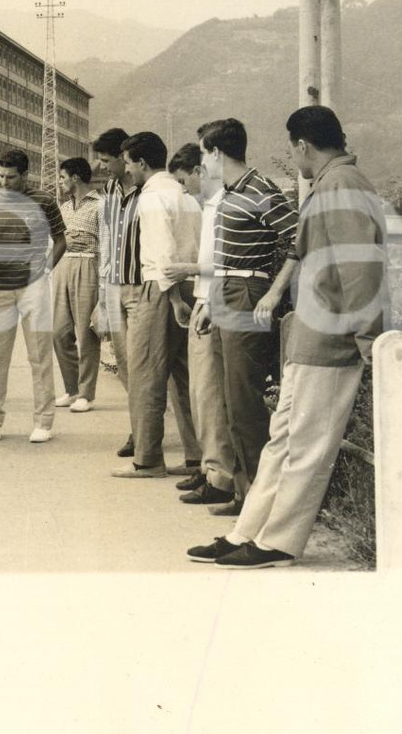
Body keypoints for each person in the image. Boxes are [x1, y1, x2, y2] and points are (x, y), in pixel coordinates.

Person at [188, 106, 388, 569]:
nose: (292, 157)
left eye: (291, 149)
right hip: (312, 336)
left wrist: (368, 339)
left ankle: (276, 542)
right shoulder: (334, 184)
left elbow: (359, 267)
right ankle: (249, 531)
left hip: (333, 338)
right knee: (285, 440)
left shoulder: (342, 186)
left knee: (304, 445)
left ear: (302, 145)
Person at [188, 118, 297, 513]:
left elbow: (299, 237)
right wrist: (208, 305)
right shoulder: (231, 194)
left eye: (203, 153)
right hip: (225, 292)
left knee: (245, 400)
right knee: (230, 400)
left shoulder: (259, 189)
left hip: (248, 292)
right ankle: (243, 491)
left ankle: (258, 499)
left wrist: (275, 289)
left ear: (217, 152)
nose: (203, 161)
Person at [110, 132, 202, 479]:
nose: (127, 170)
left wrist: (174, 298)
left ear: (142, 163)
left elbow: (163, 254)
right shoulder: (185, 195)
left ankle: (148, 459)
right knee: (184, 377)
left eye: (129, 163)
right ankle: (197, 456)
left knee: (146, 373)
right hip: (190, 286)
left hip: (162, 289)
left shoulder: (150, 198)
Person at [164, 142, 238, 511]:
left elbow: (226, 263)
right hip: (204, 300)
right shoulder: (206, 206)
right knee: (200, 393)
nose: (183, 188)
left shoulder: (223, 204)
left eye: (183, 179)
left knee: (210, 395)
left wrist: (189, 272)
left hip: (214, 302)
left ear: (199, 170)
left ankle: (220, 476)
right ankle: (211, 468)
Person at [0, 148, 66, 442]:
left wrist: (47, 269)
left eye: (11, 177)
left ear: (25, 175)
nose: (4, 181)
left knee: (39, 354)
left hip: (34, 287)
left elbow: (61, 238)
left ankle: (43, 421)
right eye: (0, 175)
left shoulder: (44, 199)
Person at [91, 127, 139, 456]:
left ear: (123, 158)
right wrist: (101, 293)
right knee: (122, 360)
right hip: (112, 282)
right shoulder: (109, 187)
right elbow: (105, 239)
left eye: (106, 160)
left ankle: (146, 429)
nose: (101, 165)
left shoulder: (145, 187)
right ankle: (140, 428)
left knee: (141, 361)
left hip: (138, 284)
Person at [52, 156, 103, 412]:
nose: (60, 182)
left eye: (62, 177)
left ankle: (86, 393)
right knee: (59, 333)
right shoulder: (64, 207)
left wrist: (103, 284)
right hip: (63, 267)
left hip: (87, 266)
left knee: (86, 333)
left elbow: (105, 246)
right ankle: (71, 389)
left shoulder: (100, 206)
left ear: (76, 178)